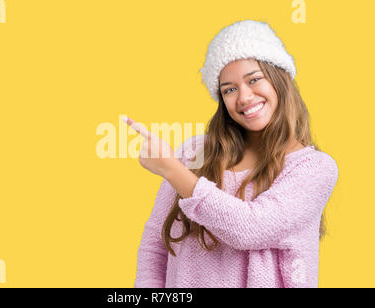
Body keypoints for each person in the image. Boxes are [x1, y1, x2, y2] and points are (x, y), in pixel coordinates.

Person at [130, 20, 339, 288]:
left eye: (254, 80)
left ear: (280, 79)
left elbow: (252, 228)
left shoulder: (314, 168)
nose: (244, 97)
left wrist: (172, 171)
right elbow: (155, 245)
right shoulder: (195, 153)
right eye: (229, 89)